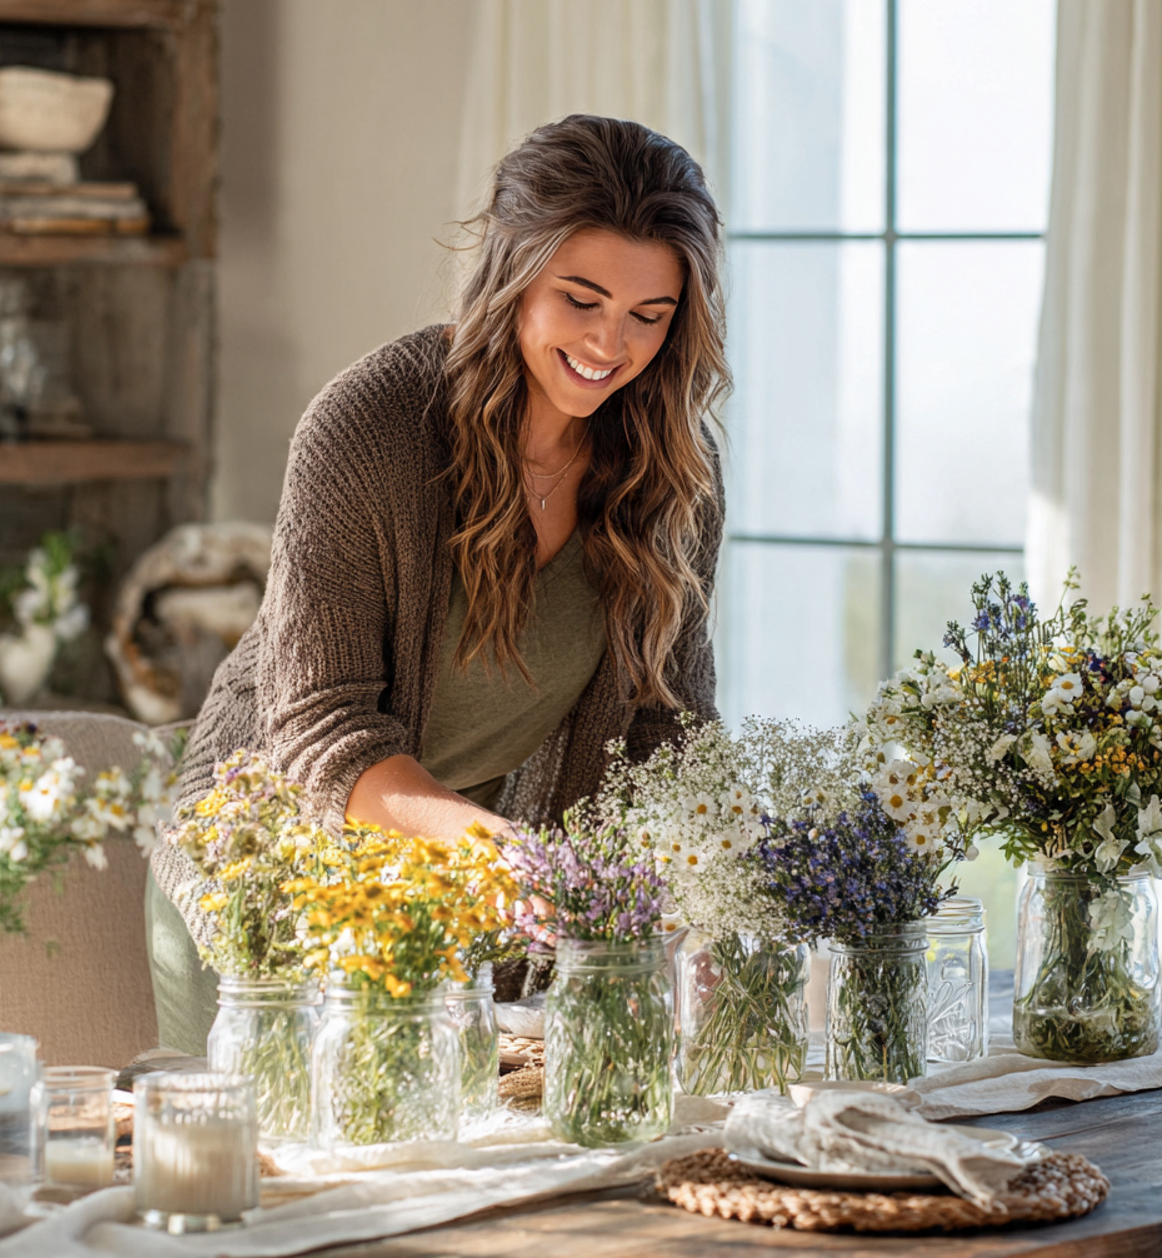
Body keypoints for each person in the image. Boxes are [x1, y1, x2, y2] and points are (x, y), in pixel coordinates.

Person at [147, 114, 731, 1053]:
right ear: (512, 274)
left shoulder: (672, 476)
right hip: (264, 869)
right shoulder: (369, 428)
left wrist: (696, 904)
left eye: (648, 316)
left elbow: (669, 729)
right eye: (579, 298)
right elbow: (321, 731)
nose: (609, 343)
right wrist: (505, 858)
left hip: (459, 889)